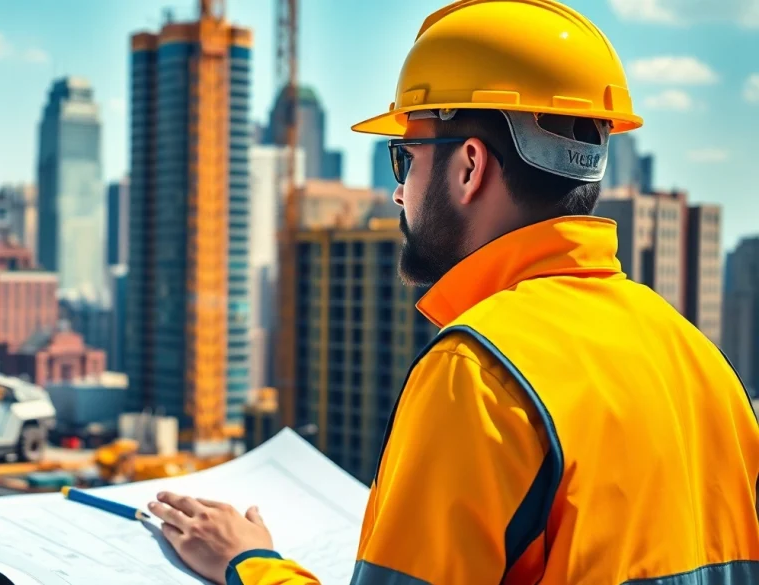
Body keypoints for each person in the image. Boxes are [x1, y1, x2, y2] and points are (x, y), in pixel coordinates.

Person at [148, 0, 759, 583]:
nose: (398, 191)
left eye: (405, 158)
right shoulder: (703, 365)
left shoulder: (480, 376)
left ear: (469, 166)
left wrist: (250, 562)